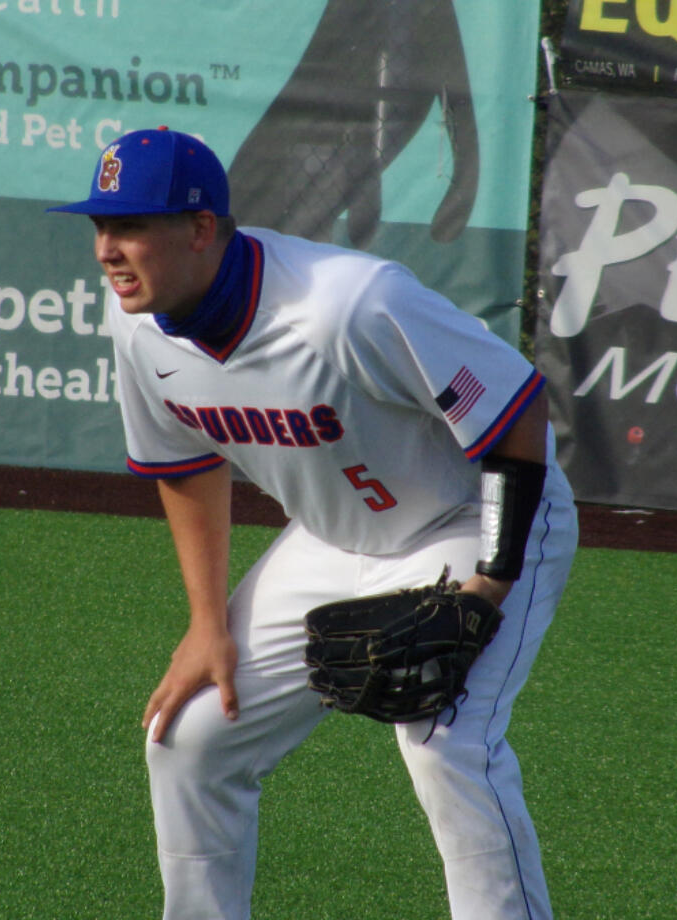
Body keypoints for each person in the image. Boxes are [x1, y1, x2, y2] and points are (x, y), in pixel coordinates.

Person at [49, 126, 578, 920]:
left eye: (129, 227)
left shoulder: (349, 303)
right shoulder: (138, 322)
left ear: (199, 231)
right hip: (335, 540)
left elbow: (516, 413)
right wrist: (205, 623)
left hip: (475, 517)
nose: (105, 250)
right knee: (189, 737)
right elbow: (185, 464)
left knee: (447, 745)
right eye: (99, 226)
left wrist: (487, 587)